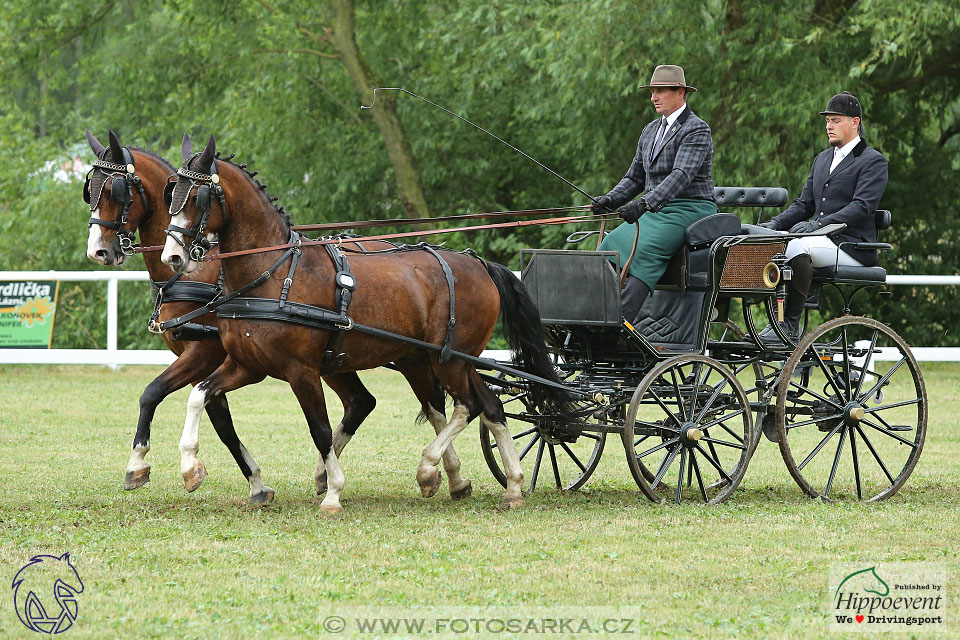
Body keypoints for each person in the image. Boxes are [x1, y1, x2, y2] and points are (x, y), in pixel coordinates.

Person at [755, 91, 888, 343]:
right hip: (820, 242)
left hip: (851, 245)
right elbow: (804, 204)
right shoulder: (822, 159)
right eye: (827, 121)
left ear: (855, 122)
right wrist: (774, 225)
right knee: (772, 243)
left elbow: (861, 206)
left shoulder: (873, 161)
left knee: (797, 245)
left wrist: (817, 225)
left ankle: (789, 326)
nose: (829, 126)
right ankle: (776, 319)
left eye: (835, 120)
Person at [592, 64, 717, 324]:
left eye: (660, 91)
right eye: (652, 92)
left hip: (690, 209)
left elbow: (681, 176)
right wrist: (611, 199)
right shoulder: (650, 130)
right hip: (657, 210)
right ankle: (596, 315)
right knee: (610, 243)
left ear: (680, 92)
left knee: (645, 249)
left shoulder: (696, 129)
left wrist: (645, 203)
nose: (653, 98)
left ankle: (620, 322)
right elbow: (634, 177)